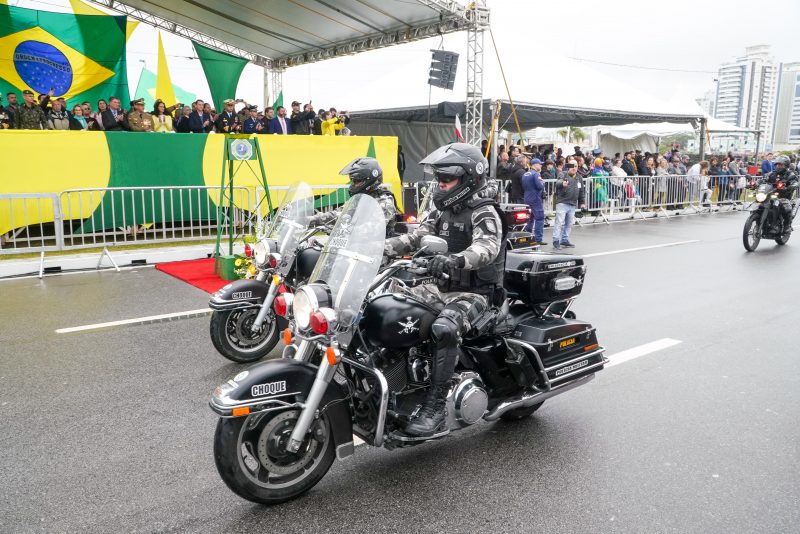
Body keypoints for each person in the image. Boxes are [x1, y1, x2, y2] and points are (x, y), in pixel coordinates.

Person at [384, 142, 504, 437]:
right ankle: (392, 380)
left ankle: (435, 407)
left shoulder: (483, 212)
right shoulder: (443, 210)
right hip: (440, 288)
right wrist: (381, 248)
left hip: (476, 294)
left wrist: (455, 259)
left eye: (446, 179)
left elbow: (487, 248)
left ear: (468, 179)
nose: (440, 185)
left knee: (445, 329)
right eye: (438, 179)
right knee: (386, 302)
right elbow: (418, 236)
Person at [308, 157, 399, 237]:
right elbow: (339, 214)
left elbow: (371, 230)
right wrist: (308, 220)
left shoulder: (384, 202)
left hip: (378, 251)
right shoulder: (361, 199)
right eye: (353, 181)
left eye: (357, 181)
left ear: (370, 180)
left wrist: (341, 231)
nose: (353, 185)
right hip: (355, 249)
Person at [552, 161, 585, 249]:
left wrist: (582, 203)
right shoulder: (563, 174)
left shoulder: (579, 177)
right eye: (572, 166)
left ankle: (564, 240)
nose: (574, 168)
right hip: (562, 202)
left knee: (569, 223)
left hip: (572, 203)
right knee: (559, 222)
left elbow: (581, 191)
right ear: (568, 167)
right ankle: (556, 240)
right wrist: (562, 183)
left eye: (576, 166)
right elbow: (557, 182)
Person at [764, 155, 798, 235]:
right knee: (760, 202)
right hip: (770, 195)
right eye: (777, 165)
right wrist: (754, 183)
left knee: (784, 206)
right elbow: (763, 180)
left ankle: (787, 225)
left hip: (784, 196)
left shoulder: (790, 174)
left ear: (786, 165)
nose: (778, 166)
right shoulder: (771, 174)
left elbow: (795, 182)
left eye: (781, 165)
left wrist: (791, 186)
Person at [522, 158, 546, 245]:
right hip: (535, 198)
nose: (541, 166)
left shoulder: (525, 174)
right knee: (540, 218)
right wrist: (542, 183)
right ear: (535, 165)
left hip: (527, 198)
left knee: (529, 219)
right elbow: (540, 186)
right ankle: (538, 239)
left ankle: (527, 237)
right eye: (540, 164)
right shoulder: (536, 174)